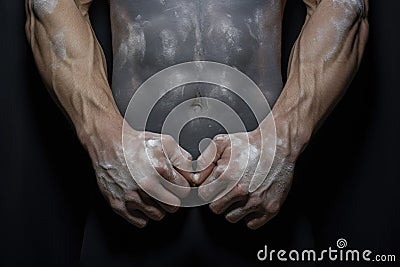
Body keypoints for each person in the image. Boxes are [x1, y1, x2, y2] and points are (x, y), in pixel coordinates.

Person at [26, 0, 369, 264]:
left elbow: (345, 7)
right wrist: (104, 138)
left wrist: (283, 141)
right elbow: (48, 5)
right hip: (133, 200)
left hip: (261, 199)